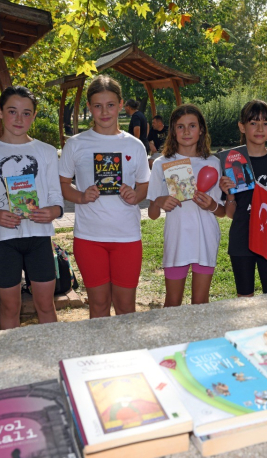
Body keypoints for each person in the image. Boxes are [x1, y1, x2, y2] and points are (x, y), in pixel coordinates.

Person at [0, 86, 64, 330]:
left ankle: (53, 350)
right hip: (4, 240)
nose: (19, 119)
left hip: (39, 238)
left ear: (34, 115)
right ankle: (11, 354)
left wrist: (54, 211)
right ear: (0, 111)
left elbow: (56, 195)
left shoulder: (46, 152)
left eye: (26, 113)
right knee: (9, 307)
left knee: (45, 305)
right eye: (12, 111)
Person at [59, 75, 150, 318]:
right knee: (98, 307)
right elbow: (63, 185)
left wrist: (135, 196)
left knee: (125, 308)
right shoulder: (75, 144)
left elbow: (144, 185)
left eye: (110, 105)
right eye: (98, 106)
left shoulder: (135, 145)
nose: (105, 112)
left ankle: (126, 346)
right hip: (89, 238)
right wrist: (81, 196)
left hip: (127, 237)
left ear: (120, 104)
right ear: (89, 107)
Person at [147, 104, 225, 307]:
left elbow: (222, 211)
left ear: (201, 130)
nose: (187, 131)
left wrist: (211, 205)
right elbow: (152, 214)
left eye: (192, 126)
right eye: (180, 126)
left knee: (200, 303)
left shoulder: (214, 163)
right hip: (177, 237)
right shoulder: (161, 163)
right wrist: (160, 201)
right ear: (173, 131)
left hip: (205, 238)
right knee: (172, 303)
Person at [219, 100, 267, 298]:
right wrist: (229, 194)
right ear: (242, 126)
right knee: (245, 300)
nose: (260, 128)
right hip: (241, 240)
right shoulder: (232, 162)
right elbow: (230, 214)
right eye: (253, 123)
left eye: (265, 123)